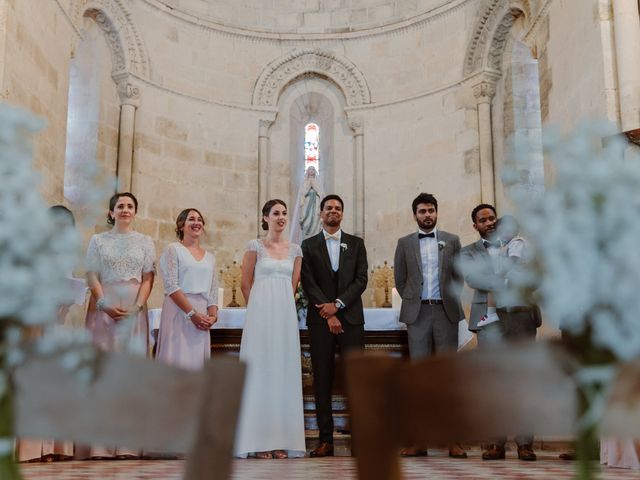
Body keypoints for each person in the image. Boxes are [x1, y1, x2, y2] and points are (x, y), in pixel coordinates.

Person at [459, 204, 541, 461]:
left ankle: (525, 443)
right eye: (483, 220)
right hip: (489, 320)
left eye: (492, 218)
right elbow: (473, 280)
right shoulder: (468, 252)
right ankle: (495, 444)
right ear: (476, 226)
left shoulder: (521, 245)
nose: (489, 222)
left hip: (520, 315)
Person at [78, 192, 156, 460]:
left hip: (133, 310)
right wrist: (103, 304)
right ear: (111, 213)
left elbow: (148, 278)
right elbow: (91, 275)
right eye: (120, 206)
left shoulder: (145, 242)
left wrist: (138, 306)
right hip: (104, 310)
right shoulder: (98, 240)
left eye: (130, 206)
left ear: (135, 212)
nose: (125, 209)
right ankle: (99, 445)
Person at [393, 193, 467, 459]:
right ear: (415, 214)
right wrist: (414, 301)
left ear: (437, 213)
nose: (427, 215)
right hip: (418, 315)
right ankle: (418, 440)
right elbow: (400, 279)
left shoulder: (452, 241)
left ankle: (453, 440)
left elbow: (459, 276)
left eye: (431, 210)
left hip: (446, 312)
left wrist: (446, 298)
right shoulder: (404, 243)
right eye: (422, 211)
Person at [234, 199, 306, 459]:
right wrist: (256, 312)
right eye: (276, 213)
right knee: (260, 371)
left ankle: (280, 440)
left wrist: (282, 310)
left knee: (281, 371)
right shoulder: (255, 246)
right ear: (265, 218)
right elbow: (245, 283)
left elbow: (293, 287)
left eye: (284, 213)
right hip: (260, 314)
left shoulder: (296, 250)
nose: (281, 217)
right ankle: (258, 440)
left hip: (284, 316)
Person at [300, 194, 368, 457]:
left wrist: (337, 305)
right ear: (320, 213)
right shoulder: (308, 245)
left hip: (351, 319)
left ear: (343, 214)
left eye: (338, 208)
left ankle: (358, 439)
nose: (333, 212)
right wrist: (327, 313)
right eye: (328, 208)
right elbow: (308, 281)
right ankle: (325, 439)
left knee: (356, 379)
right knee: (322, 379)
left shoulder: (356, 244)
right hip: (320, 321)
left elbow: (361, 279)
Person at [15, 206, 78, 462]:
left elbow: (72, 285)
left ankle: (57, 446)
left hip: (61, 320)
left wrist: (68, 300)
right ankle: (32, 448)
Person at [156, 208, 218, 371]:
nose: (197, 222)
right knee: (176, 359)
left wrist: (212, 316)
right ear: (181, 225)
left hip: (201, 314)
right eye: (191, 219)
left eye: (200, 219)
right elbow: (171, 285)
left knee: (196, 363)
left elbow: (212, 292)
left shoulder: (210, 258)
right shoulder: (173, 249)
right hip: (179, 309)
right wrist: (192, 314)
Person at [477, 215, 527, 328]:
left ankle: (491, 314)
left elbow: (512, 260)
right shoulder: (507, 245)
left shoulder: (517, 242)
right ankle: (491, 313)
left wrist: (500, 274)